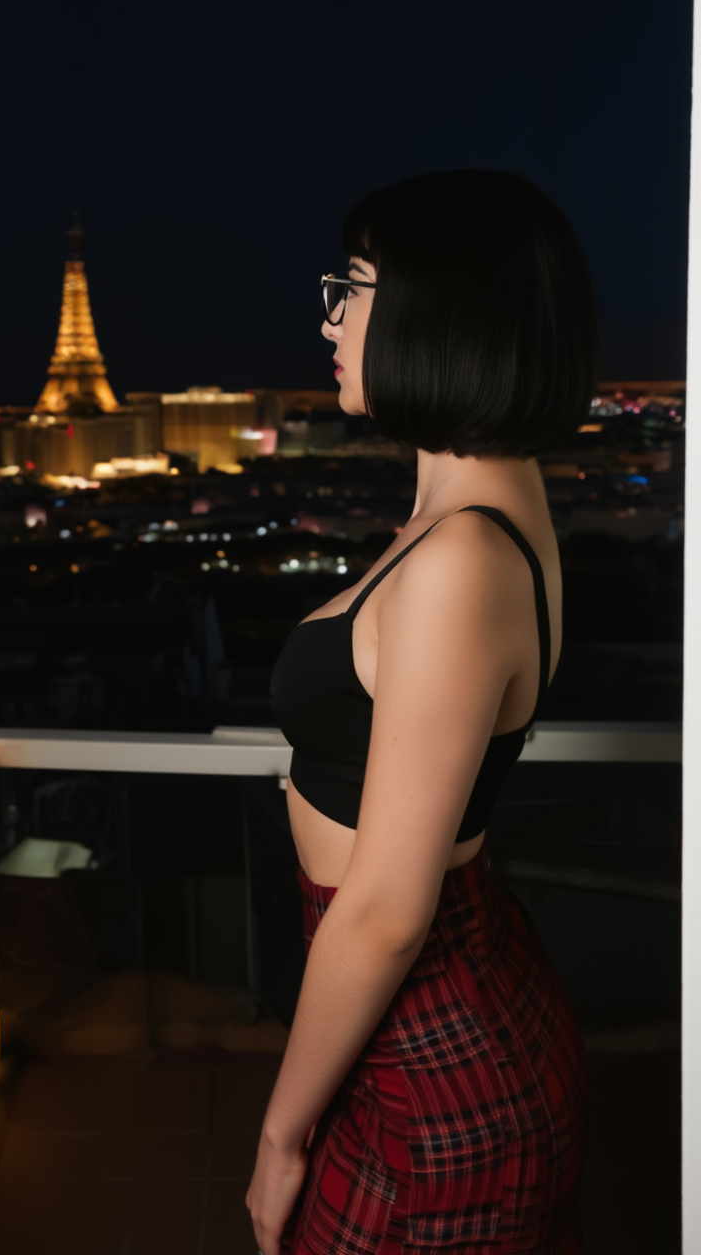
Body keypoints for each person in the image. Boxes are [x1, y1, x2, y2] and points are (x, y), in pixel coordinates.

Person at [246, 170, 596, 1254]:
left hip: (434, 1058)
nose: (331, 315)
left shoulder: (461, 557)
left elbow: (388, 907)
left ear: (439, 312)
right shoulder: (484, 508)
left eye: (353, 287)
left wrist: (278, 1138)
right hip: (427, 1020)